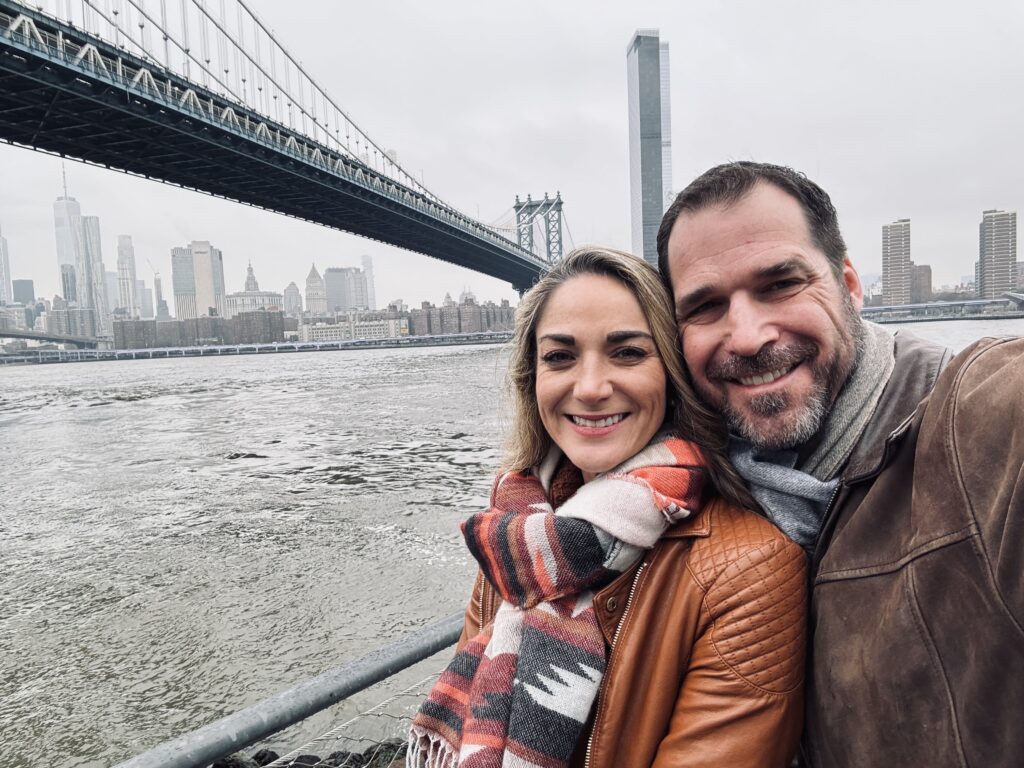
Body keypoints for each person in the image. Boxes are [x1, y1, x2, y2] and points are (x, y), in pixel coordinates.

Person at [657, 161, 1024, 767]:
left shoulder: (976, 421)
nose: (746, 336)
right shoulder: (675, 485)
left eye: (780, 284)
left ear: (850, 285)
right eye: (706, 306)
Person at [408, 247, 807, 768]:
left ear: (672, 375)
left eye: (628, 353)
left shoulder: (750, 573)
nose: (591, 388)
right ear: (532, 379)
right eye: (560, 357)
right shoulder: (516, 536)